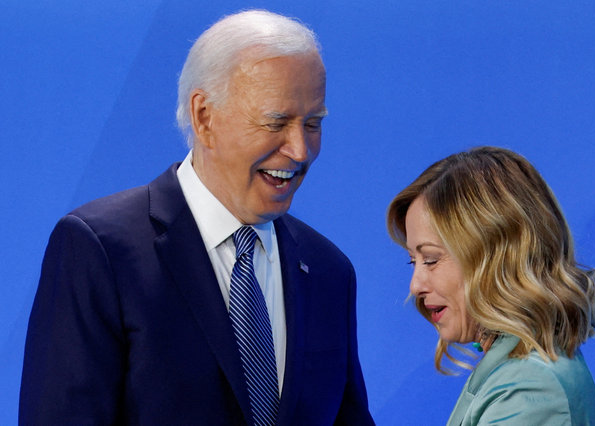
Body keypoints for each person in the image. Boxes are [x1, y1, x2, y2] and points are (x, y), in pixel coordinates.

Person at [20, 10, 374, 425]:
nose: (300, 150)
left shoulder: (329, 270)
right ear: (204, 116)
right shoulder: (100, 250)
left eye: (312, 124)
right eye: (275, 122)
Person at [387, 146, 595, 425]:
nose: (415, 285)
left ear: (496, 257)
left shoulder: (530, 389)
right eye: (412, 261)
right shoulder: (518, 375)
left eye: (430, 259)